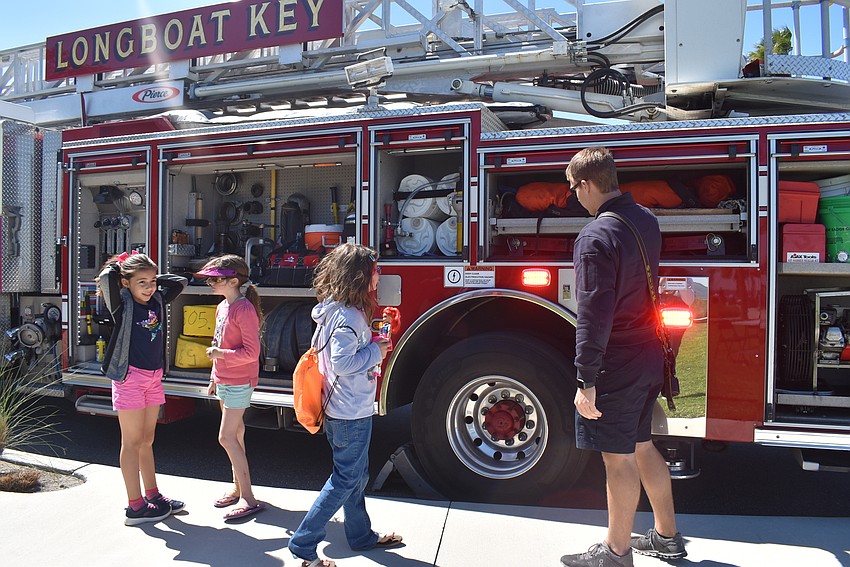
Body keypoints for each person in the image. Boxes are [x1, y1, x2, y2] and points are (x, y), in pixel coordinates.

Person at [559, 147, 687, 567]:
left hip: (618, 360)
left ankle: (616, 553)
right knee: (642, 444)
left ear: (587, 184)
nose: (572, 196)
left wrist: (585, 379)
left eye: (572, 187)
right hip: (650, 351)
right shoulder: (646, 220)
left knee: (617, 459)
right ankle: (667, 537)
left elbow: (594, 313)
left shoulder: (595, 237)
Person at [287, 243, 403, 567]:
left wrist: (371, 344)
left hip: (342, 409)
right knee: (345, 479)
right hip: (350, 411)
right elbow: (342, 362)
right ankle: (303, 544)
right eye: (374, 270)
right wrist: (375, 352)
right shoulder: (349, 316)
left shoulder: (334, 309)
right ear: (360, 277)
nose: (379, 275)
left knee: (356, 475)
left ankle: (360, 535)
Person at [97, 251, 188, 526]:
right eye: (142, 283)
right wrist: (122, 265)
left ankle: (153, 496)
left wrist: (150, 276)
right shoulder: (122, 304)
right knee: (132, 442)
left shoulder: (157, 298)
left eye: (152, 281)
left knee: (147, 440)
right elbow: (106, 277)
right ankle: (135, 507)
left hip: (152, 377)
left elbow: (179, 282)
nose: (149, 287)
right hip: (130, 378)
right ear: (125, 284)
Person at [193, 255, 266, 521]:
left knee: (226, 438)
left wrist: (220, 355)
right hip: (225, 380)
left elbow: (251, 352)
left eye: (216, 279)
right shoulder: (224, 306)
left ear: (233, 281)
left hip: (238, 381)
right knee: (236, 434)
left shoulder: (243, 309)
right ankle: (239, 489)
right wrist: (214, 377)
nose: (210, 283)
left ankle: (249, 498)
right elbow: (217, 339)